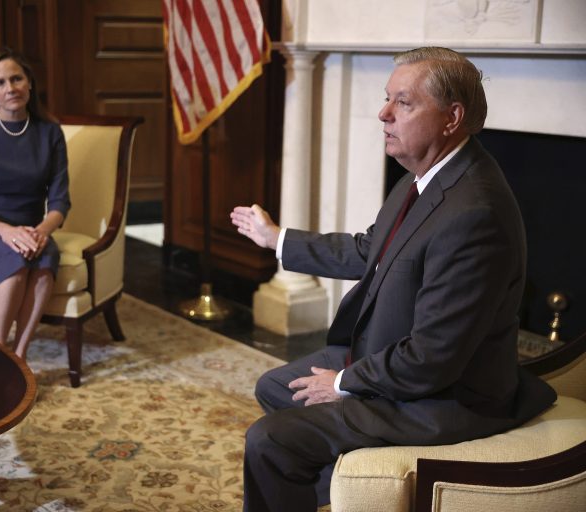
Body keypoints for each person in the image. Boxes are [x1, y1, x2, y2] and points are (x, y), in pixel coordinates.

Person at [230, 47, 556, 511]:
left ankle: (334, 481)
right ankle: (339, 486)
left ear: (451, 116)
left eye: (403, 103)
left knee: (270, 440)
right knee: (274, 387)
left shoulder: (475, 214)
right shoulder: (424, 174)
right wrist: (277, 239)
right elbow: (370, 250)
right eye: (388, 99)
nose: (382, 114)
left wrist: (344, 381)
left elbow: (431, 359)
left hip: (443, 398)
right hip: (394, 356)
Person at [0, 47, 71, 359]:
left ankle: (18, 357)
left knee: (45, 261)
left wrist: (42, 232)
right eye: (1, 83)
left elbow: (60, 201)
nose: (11, 88)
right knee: (17, 263)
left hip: (33, 230)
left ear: (29, 83)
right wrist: (7, 232)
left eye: (17, 79)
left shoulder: (50, 132)